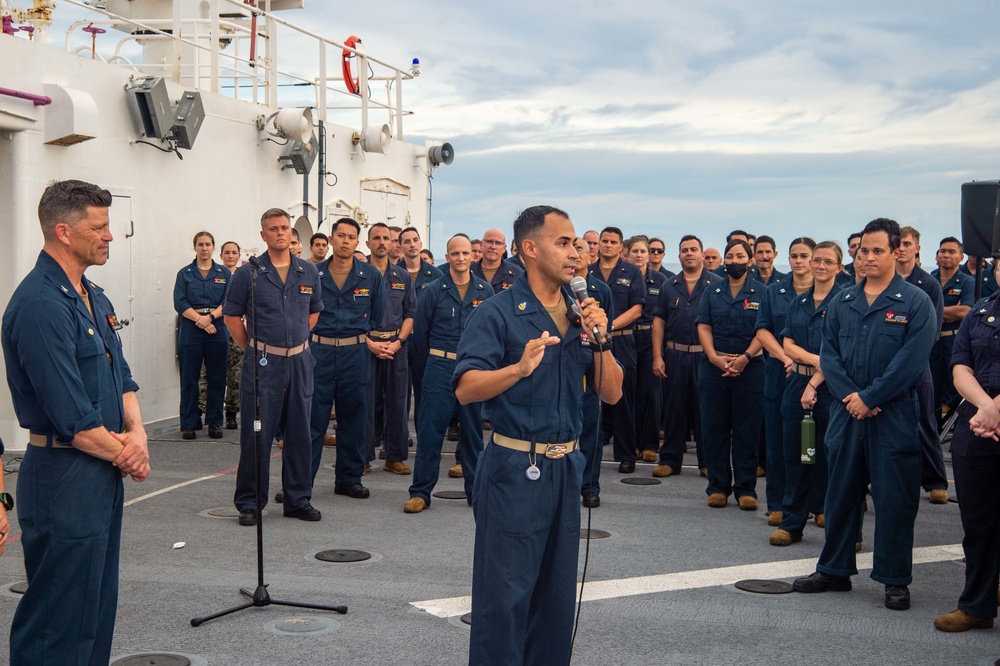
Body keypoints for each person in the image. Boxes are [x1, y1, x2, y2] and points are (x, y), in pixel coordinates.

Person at [455, 205, 623, 665]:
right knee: (504, 601)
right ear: (530, 249)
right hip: (514, 469)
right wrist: (517, 368)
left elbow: (612, 392)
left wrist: (601, 337)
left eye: (577, 243)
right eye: (563, 243)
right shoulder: (498, 313)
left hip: (567, 467)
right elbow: (467, 388)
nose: (576, 252)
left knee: (554, 602)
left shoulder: (581, 314)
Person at [3, 179, 150, 664]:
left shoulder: (93, 295)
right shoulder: (41, 305)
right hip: (64, 476)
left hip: (100, 472)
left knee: (94, 609)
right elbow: (73, 419)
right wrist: (128, 454)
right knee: (58, 619)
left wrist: (139, 433)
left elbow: (123, 376)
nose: (109, 235)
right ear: (63, 232)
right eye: (99, 226)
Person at [793, 217, 936, 611]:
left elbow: (911, 361)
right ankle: (834, 570)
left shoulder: (915, 302)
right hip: (847, 412)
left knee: (895, 498)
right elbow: (830, 356)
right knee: (840, 492)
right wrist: (852, 396)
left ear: (896, 252)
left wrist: (871, 396)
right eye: (863, 250)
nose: (868, 257)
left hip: (893, 413)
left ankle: (894, 578)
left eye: (877, 250)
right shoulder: (843, 301)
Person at [223, 208, 323, 526]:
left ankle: (297, 499)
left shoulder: (307, 272)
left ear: (292, 233)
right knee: (258, 434)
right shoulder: (248, 273)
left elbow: (313, 312)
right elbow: (231, 316)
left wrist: (296, 343)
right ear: (263, 234)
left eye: (284, 228)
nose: (280, 233)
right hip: (263, 364)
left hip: (300, 361)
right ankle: (251, 502)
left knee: (299, 432)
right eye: (273, 228)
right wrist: (254, 347)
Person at [404, 234, 493, 513]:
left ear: (472, 255)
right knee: (430, 432)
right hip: (439, 367)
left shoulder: (485, 291)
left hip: (472, 370)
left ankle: (475, 491)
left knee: (472, 435)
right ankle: (420, 492)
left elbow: (491, 334)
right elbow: (420, 337)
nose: (461, 258)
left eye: (465, 253)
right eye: (455, 253)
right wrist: (428, 370)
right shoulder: (433, 290)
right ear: (448, 255)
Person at [933, 265, 1000, 631]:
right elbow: (960, 366)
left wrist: (994, 409)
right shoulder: (981, 311)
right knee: (978, 524)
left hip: (986, 417)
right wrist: (985, 407)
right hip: (976, 424)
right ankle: (977, 605)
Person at [769, 241, 843, 546]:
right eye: (817, 260)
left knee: (834, 457)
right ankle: (792, 522)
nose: (821, 266)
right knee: (796, 458)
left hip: (833, 389)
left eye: (828, 261)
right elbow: (788, 345)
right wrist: (816, 361)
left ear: (840, 267)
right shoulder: (798, 303)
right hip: (797, 386)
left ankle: (836, 521)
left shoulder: (846, 301)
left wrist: (819, 372)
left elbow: (841, 351)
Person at [308, 217, 385, 498]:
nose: (345, 241)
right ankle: (301, 482)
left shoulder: (371, 276)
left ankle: (349, 479)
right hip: (319, 352)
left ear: (356, 242)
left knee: (353, 416)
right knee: (312, 419)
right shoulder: (312, 273)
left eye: (351, 237)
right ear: (331, 239)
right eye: (340, 235)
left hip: (356, 352)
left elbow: (377, 316)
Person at [696, 239, 765, 509]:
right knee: (714, 428)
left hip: (751, 367)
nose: (734, 261)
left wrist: (746, 358)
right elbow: (703, 325)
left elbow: (764, 330)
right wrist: (714, 357)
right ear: (724, 261)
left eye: (740, 256)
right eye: (730, 257)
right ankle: (718, 486)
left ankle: (746, 488)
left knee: (748, 430)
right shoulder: (712, 291)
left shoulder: (762, 292)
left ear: (750, 261)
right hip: (715, 367)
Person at [754, 238, 814, 525]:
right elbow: (762, 331)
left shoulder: (834, 293)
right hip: (780, 371)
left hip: (819, 375)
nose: (798, 261)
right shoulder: (774, 292)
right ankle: (777, 502)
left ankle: (819, 503)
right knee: (778, 441)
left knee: (816, 443)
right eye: (794, 256)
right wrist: (785, 357)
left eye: (804, 256)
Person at [652, 235, 722, 479]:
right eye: (684, 250)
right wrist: (657, 356)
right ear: (679, 255)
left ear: (702, 254)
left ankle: (707, 462)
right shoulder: (668, 286)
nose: (689, 253)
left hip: (705, 358)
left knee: (706, 412)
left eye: (694, 249)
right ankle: (670, 460)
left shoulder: (716, 285)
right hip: (675, 355)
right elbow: (659, 321)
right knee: (673, 410)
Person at [895, 226, 949, 504]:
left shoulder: (928, 284)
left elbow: (933, 331)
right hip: (888, 366)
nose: (901, 248)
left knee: (925, 421)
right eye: (898, 244)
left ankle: (936, 480)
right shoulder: (886, 282)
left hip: (918, 364)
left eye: (907, 244)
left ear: (917, 248)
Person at [590, 226, 645, 473]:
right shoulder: (588, 272)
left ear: (621, 247)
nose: (608, 245)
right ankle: (593, 451)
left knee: (623, 398)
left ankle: (626, 454)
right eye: (604, 241)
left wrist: (608, 327)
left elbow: (637, 309)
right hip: (590, 341)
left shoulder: (632, 272)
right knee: (591, 396)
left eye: (613, 242)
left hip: (622, 340)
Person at [364, 223, 415, 474]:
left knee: (397, 403)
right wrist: (370, 344)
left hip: (396, 347)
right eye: (377, 238)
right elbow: (351, 315)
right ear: (368, 243)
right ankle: (361, 458)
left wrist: (398, 342)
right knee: (364, 404)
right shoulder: (358, 274)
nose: (382, 242)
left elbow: (410, 313)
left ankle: (394, 457)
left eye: (387, 238)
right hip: (366, 347)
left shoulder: (402, 276)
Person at [571, 236, 615, 507]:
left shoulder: (601, 290)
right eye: (570, 249)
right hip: (565, 362)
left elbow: (607, 332)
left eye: (581, 250)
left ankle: (590, 486)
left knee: (591, 431)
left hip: (591, 363)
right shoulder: (559, 288)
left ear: (590, 256)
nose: (575, 255)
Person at [174, 231, 231, 439]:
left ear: (213, 247)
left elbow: (229, 301)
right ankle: (188, 423)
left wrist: (210, 318)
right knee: (189, 377)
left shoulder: (224, 273)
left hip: (217, 328)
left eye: (208, 244)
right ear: (195, 247)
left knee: (217, 377)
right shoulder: (185, 274)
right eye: (200, 244)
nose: (204, 248)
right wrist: (200, 320)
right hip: (191, 328)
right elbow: (180, 302)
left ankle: (215, 422)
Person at [627, 235, 668, 462]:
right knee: (629, 392)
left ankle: (650, 444)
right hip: (626, 338)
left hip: (650, 339)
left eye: (644, 251)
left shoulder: (661, 280)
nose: (640, 255)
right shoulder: (623, 277)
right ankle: (631, 442)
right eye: (636, 251)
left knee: (652, 393)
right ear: (627, 253)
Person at [930, 237, 974, 421]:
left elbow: (965, 311)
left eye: (951, 252)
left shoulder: (966, 282)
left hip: (952, 341)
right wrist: (950, 311)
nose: (945, 255)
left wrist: (932, 311)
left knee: (955, 390)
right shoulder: (928, 280)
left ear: (961, 257)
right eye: (942, 251)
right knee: (932, 391)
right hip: (931, 342)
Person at [472, 228, 523, 293]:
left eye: (498, 243)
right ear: (481, 245)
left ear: (504, 248)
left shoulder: (517, 274)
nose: (493, 247)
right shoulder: (469, 273)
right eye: (489, 242)